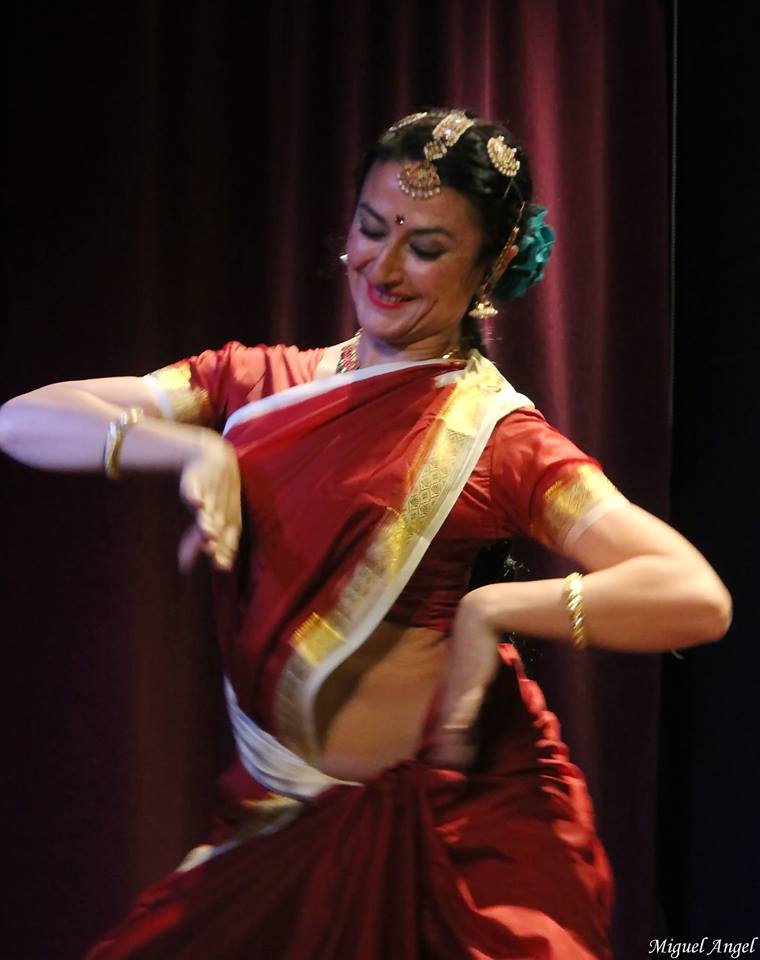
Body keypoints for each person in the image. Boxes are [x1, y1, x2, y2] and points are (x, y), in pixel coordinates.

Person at [0, 109, 731, 960]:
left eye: (425, 247)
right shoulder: (258, 384)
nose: (382, 266)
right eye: (372, 228)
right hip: (278, 825)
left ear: (492, 265)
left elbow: (696, 596)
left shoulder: (495, 440)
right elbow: (22, 419)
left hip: (455, 843)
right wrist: (189, 448)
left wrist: (492, 611)